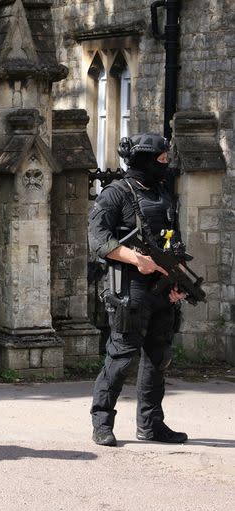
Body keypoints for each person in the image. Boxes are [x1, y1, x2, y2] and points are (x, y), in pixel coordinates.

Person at [87, 132, 189, 447]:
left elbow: (176, 246)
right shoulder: (114, 194)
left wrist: (178, 284)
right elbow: (98, 241)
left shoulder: (164, 195)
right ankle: (102, 423)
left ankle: (151, 425)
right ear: (145, 159)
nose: (166, 165)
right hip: (128, 288)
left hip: (161, 290)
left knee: (158, 358)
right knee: (120, 357)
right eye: (161, 160)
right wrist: (136, 259)